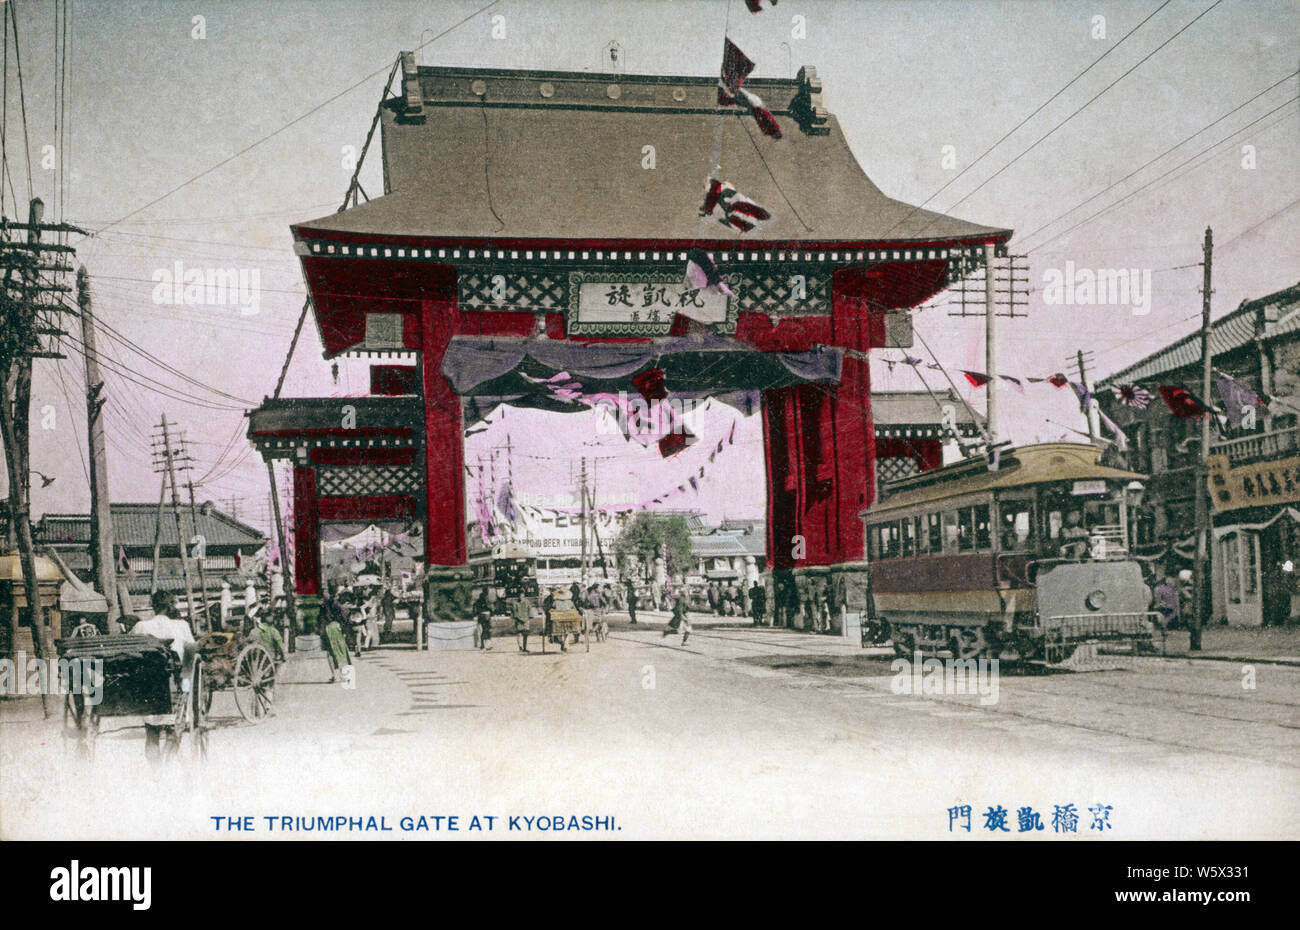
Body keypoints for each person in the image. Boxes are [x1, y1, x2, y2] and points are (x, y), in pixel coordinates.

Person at [130, 591, 197, 761]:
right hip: (174, 685)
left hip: (149, 686)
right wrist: (187, 684)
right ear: (171, 606)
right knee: (173, 729)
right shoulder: (182, 625)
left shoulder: (140, 627)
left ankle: (156, 772)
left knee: (151, 733)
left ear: (153, 607)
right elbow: (191, 654)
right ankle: (167, 765)